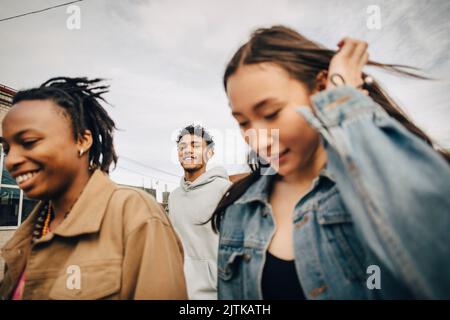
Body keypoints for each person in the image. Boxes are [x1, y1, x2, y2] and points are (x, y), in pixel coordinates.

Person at [209, 26, 450, 299]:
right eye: (243, 122)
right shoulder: (239, 210)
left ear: (321, 88)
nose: (258, 141)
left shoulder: (372, 183)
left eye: (272, 113)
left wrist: (344, 103)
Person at [0, 77, 187, 300]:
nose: (10, 160)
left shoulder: (135, 215)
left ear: (82, 140)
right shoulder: (28, 233)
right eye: (6, 148)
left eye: (29, 142)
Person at [168, 125, 231, 299]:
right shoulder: (174, 197)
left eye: (195, 145)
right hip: (180, 290)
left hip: (215, 293)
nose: (188, 150)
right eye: (182, 147)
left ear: (210, 153)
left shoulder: (225, 191)